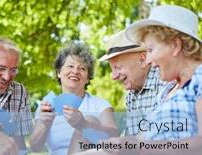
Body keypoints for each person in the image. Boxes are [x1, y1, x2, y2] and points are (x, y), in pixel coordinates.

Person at [73, 5, 202, 155]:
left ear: (175, 45)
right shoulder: (168, 90)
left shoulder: (198, 79)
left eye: (150, 50)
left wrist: (139, 147)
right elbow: (144, 139)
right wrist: (125, 144)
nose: (149, 60)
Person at [29, 41, 118, 155]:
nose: (75, 71)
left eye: (82, 69)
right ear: (58, 73)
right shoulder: (47, 106)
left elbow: (115, 137)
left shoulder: (100, 105)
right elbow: (35, 147)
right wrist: (44, 124)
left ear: (88, 78)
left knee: (91, 119)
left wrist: (83, 124)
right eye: (70, 66)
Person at [99, 30, 166, 137]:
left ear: (142, 60)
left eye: (118, 67)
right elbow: (131, 138)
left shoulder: (164, 82)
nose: (114, 76)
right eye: (112, 69)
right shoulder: (131, 94)